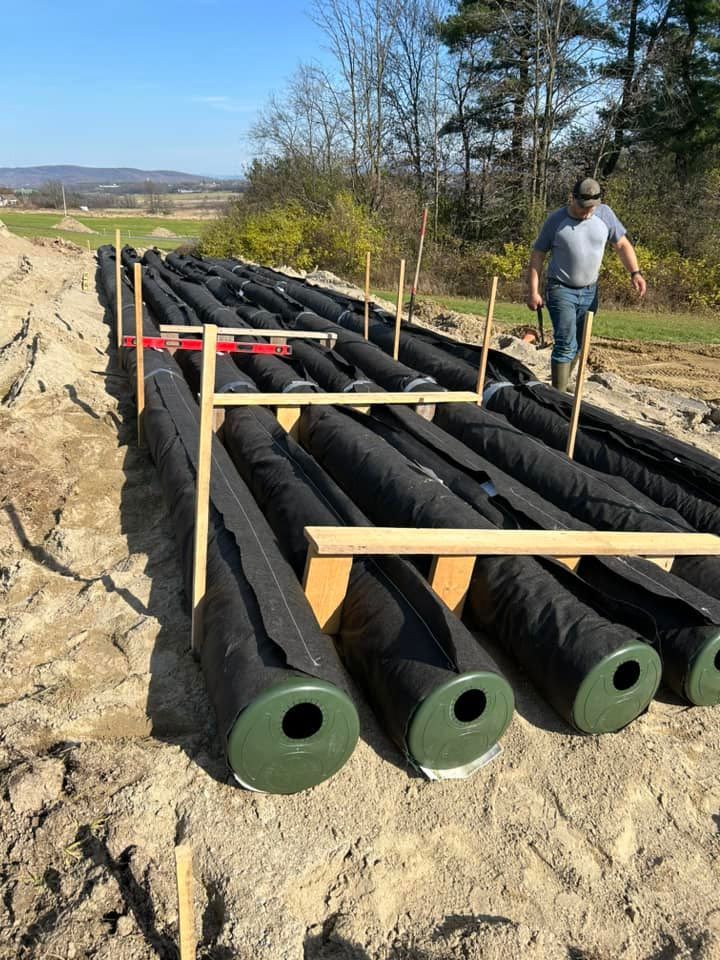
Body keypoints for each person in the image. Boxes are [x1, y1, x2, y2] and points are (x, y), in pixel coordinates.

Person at [526, 177, 647, 391]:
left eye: (591, 208)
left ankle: (562, 383)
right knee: (565, 343)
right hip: (560, 289)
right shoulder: (556, 220)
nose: (587, 213)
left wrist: (635, 273)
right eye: (583, 208)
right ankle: (558, 396)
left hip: (590, 292)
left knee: (579, 346)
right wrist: (533, 291)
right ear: (572, 198)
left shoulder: (605, 215)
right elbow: (538, 256)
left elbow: (621, 244)